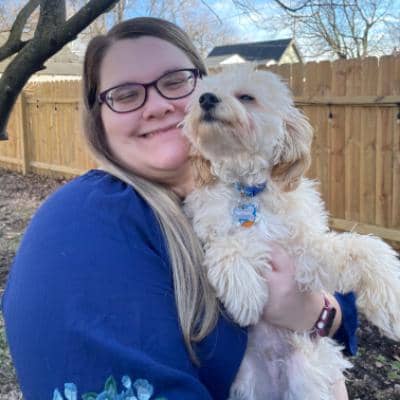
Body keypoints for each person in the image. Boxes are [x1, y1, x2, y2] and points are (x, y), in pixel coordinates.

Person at [1, 17, 357, 400]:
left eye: (174, 81)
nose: (157, 106)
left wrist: (316, 312)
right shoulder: (81, 222)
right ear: (98, 122)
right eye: (126, 94)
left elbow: (340, 298)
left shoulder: (246, 187)